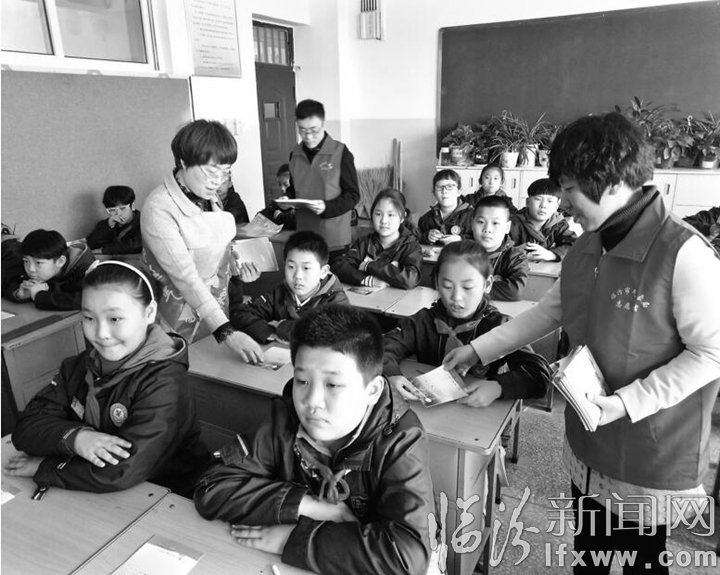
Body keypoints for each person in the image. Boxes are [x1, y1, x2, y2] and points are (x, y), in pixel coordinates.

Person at [444, 112, 720, 575]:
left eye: (569, 189)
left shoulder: (683, 253)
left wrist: (626, 403)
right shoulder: (588, 245)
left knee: (636, 562)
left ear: (609, 181)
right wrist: (478, 350)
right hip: (590, 432)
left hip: (646, 444)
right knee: (589, 552)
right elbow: (547, 312)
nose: (563, 202)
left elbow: (711, 354)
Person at [193, 305, 435, 575]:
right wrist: (307, 505)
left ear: (372, 390)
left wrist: (293, 539)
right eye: (302, 381)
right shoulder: (285, 418)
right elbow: (211, 487)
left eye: (332, 385)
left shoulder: (400, 439)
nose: (311, 402)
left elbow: (408, 557)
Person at [4, 261, 210, 497]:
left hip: (170, 493)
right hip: (95, 487)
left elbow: (122, 470)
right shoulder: (79, 366)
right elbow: (26, 428)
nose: (101, 333)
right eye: (89, 318)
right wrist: (76, 438)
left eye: (115, 319)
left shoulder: (165, 383)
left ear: (149, 312)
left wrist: (46, 467)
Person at [141, 119, 263, 363]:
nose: (217, 181)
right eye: (210, 171)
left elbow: (212, 251)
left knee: (217, 367)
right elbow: (186, 278)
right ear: (183, 162)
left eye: (224, 172)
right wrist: (227, 333)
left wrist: (235, 269)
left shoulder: (209, 197)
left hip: (215, 310)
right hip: (176, 317)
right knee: (184, 368)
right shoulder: (159, 208)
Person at [383, 240, 550, 406]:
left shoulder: (499, 325)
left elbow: (539, 374)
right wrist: (391, 375)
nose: (456, 297)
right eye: (447, 286)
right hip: (430, 411)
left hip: (478, 412)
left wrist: (498, 387)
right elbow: (383, 349)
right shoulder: (423, 321)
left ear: (487, 284)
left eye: (468, 287)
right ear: (437, 284)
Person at [229, 231, 348, 343]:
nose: (298, 276)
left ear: (323, 271)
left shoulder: (335, 298)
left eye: (306, 268)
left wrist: (282, 328)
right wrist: (269, 332)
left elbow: (338, 330)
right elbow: (239, 315)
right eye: (291, 267)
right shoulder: (279, 293)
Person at [283, 99, 360, 258]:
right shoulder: (295, 154)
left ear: (323, 124)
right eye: (302, 130)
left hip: (334, 238)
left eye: (314, 130)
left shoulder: (340, 152)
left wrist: (326, 207)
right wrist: (287, 199)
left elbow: (353, 195)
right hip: (304, 235)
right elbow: (294, 188)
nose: (308, 136)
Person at [332, 188, 422, 290]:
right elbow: (339, 266)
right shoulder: (364, 243)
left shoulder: (411, 246)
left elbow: (410, 278)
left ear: (402, 217)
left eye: (390, 215)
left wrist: (369, 266)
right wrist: (367, 280)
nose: (384, 221)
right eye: (378, 214)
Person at [5, 229, 95, 310]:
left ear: (60, 261)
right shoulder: (39, 267)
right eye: (26, 261)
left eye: (38, 263)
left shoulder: (88, 268)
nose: (30, 269)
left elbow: (88, 300)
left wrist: (39, 295)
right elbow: (11, 283)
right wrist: (19, 294)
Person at [472, 195, 528, 301]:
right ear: (472, 223)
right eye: (481, 222)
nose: (487, 229)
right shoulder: (461, 251)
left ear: (507, 227)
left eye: (495, 223)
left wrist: (469, 287)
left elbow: (514, 290)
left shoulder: (516, 257)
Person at [509, 178, 578, 262]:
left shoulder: (558, 224)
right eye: (538, 199)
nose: (543, 205)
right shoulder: (512, 223)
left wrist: (552, 255)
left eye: (550, 201)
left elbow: (574, 244)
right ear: (527, 202)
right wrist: (516, 252)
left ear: (556, 206)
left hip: (543, 268)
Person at [417, 169, 474, 245]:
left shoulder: (472, 216)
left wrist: (461, 239)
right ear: (434, 193)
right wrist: (427, 237)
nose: (444, 191)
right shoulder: (425, 219)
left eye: (450, 186)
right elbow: (417, 241)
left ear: (459, 192)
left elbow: (481, 241)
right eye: (439, 187)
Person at [86, 185, 143, 254]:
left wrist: (102, 251)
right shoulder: (105, 224)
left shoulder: (143, 223)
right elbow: (90, 244)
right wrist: (108, 226)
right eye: (112, 210)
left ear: (132, 206)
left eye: (122, 208)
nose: (118, 213)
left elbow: (136, 245)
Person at [258, 164, 296, 230]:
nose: (282, 188)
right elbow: (260, 217)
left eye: (286, 184)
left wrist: (280, 216)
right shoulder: (282, 201)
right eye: (279, 184)